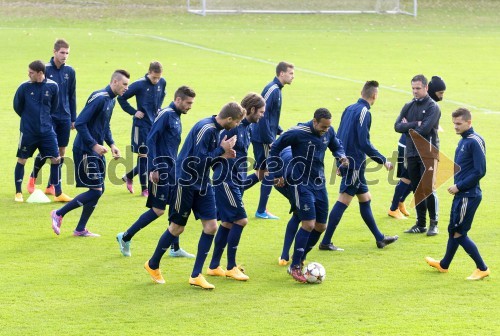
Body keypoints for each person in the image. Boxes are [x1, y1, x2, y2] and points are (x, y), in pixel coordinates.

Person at [144, 102, 244, 289]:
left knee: (211, 226)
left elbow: (207, 159)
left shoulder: (216, 129)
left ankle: (196, 275)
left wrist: (223, 155)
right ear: (229, 119)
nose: (238, 125)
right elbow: (197, 160)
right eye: (237, 122)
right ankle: (152, 264)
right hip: (185, 182)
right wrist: (222, 150)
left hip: (203, 183)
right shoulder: (206, 129)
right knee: (177, 228)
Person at [268, 108, 347, 283]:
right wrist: (277, 172)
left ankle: (301, 257)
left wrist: (341, 156)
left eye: (328, 127)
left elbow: (336, 145)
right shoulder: (297, 132)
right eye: (323, 126)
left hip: (319, 182)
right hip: (300, 183)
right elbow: (275, 148)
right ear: (314, 121)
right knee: (308, 223)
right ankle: (295, 266)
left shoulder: (329, 131)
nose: (326, 130)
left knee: (321, 226)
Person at [116, 86, 196, 257]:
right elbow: (151, 140)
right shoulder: (166, 114)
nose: (190, 106)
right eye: (188, 103)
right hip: (162, 169)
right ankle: (125, 236)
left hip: (173, 170)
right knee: (158, 210)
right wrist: (154, 168)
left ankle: (174, 248)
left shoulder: (176, 115)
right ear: (178, 100)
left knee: (176, 205)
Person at [319, 80, 399, 251]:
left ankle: (380, 238)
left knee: (365, 198)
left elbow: (337, 137)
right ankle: (325, 242)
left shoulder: (349, 108)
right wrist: (382, 160)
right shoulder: (364, 112)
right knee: (343, 201)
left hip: (349, 162)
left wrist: (339, 161)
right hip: (355, 164)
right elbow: (364, 142)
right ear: (374, 95)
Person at [50, 70, 130, 237]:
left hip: (96, 150)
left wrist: (112, 144)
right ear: (114, 82)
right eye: (124, 84)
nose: (126, 88)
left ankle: (80, 229)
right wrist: (94, 145)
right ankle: (59, 213)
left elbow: (104, 125)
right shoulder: (100, 98)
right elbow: (79, 123)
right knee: (95, 190)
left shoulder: (111, 100)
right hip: (85, 150)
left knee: (99, 189)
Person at [425, 107, 490, 280]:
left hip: (469, 195)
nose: (455, 127)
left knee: (459, 233)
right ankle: (444, 264)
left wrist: (459, 186)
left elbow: (480, 171)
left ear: (469, 122)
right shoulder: (463, 140)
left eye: (459, 123)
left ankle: (482, 268)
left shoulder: (474, 141)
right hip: (462, 194)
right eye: (453, 123)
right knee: (452, 229)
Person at [207, 93, 265, 281]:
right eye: (261, 112)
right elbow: (218, 151)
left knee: (228, 222)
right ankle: (231, 267)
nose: (262, 116)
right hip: (226, 180)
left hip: (235, 180)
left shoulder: (247, 129)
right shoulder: (232, 128)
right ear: (253, 109)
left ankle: (214, 266)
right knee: (241, 220)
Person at [388, 75, 446, 219]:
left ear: (426, 88)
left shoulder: (432, 107)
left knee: (420, 184)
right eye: (441, 93)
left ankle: (402, 205)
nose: (415, 91)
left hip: (424, 150)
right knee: (408, 178)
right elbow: (398, 126)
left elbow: (423, 128)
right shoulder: (410, 105)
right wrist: (415, 124)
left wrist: (407, 125)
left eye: (417, 88)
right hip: (408, 146)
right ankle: (395, 207)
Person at [26, 39, 75, 202]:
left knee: (61, 152)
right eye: (62, 52)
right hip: (48, 117)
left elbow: (72, 95)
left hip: (65, 117)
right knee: (47, 151)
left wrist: (73, 118)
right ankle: (33, 177)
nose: (65, 56)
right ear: (54, 52)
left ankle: (51, 185)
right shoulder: (44, 69)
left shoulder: (70, 71)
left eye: (67, 53)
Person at [249, 61, 294, 219]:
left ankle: (230, 194)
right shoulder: (273, 90)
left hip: (264, 135)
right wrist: (270, 139)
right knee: (269, 172)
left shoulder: (277, 90)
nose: (293, 77)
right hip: (262, 137)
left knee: (261, 174)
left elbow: (270, 117)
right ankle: (261, 210)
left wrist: (279, 130)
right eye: (291, 73)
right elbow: (262, 116)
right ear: (281, 73)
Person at [13, 60, 61, 203]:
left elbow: (54, 107)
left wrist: (44, 120)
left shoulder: (53, 86)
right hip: (28, 131)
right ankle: (18, 192)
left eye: (31, 72)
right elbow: (17, 106)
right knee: (22, 159)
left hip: (47, 131)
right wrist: (29, 119)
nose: (28, 74)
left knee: (55, 159)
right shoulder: (24, 87)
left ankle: (58, 193)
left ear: (40, 73)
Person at [118, 61, 166, 197]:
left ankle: (129, 176)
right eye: (154, 77)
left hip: (154, 124)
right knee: (144, 156)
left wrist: (159, 108)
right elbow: (122, 98)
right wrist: (134, 112)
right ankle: (144, 188)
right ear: (149, 72)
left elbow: (162, 94)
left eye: (158, 77)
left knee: (150, 155)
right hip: (141, 125)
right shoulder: (139, 84)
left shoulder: (162, 82)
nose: (156, 80)